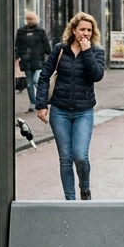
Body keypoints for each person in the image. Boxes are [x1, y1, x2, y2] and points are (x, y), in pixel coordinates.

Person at [36, 12, 106, 200]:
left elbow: (97, 75)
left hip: (84, 111)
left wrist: (87, 52)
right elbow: (44, 76)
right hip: (60, 111)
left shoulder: (96, 51)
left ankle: (85, 188)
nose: (86, 33)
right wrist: (41, 104)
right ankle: (70, 200)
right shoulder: (60, 50)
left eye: (89, 30)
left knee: (80, 156)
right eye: (82, 29)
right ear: (73, 30)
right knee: (66, 158)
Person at [14, 10, 50, 113]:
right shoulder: (21, 31)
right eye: (28, 19)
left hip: (38, 60)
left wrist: (49, 54)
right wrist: (17, 57)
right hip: (26, 61)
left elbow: (46, 45)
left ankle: (41, 99)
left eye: (31, 19)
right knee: (29, 83)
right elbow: (18, 45)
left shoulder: (40, 31)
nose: (29, 21)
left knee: (36, 80)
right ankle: (33, 103)